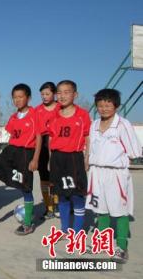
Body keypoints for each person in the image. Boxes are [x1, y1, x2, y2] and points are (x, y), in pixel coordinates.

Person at [86, 88, 141, 263]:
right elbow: (91, 149)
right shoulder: (93, 124)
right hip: (96, 172)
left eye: (108, 104)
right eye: (100, 105)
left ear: (116, 106)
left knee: (119, 210)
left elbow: (134, 151)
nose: (104, 108)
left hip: (116, 174)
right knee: (101, 210)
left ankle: (122, 247)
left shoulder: (122, 124)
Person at [0, 83, 43, 235]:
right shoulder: (13, 117)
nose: (17, 100)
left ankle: (28, 223)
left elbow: (39, 137)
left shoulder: (35, 114)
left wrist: (35, 159)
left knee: (26, 187)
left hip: (26, 153)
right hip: (11, 150)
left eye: (20, 97)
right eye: (14, 97)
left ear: (28, 98)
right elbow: (11, 136)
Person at [48, 80, 91, 234]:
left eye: (67, 92)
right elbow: (51, 139)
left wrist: (87, 157)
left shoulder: (82, 115)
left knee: (77, 195)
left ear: (75, 94)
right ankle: (65, 230)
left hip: (74, 158)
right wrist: (50, 159)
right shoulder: (54, 115)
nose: (62, 96)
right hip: (57, 159)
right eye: (59, 92)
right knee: (62, 195)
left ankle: (78, 231)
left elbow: (88, 137)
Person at [35, 81, 60, 219]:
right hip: (42, 143)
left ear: (54, 94)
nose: (44, 96)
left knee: (56, 176)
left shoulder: (61, 108)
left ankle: (58, 204)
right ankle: (48, 207)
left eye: (47, 94)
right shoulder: (37, 110)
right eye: (42, 94)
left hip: (58, 142)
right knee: (44, 176)